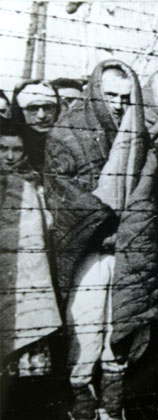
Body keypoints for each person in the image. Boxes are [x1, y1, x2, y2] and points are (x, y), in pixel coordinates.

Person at [44, 59, 158, 420]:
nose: (118, 104)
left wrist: (133, 219)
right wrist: (105, 212)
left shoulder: (139, 134)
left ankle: (113, 403)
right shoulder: (66, 133)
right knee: (86, 322)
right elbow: (60, 188)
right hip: (89, 248)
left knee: (123, 321)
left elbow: (146, 187)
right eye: (110, 94)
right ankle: (81, 398)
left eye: (126, 97)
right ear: (95, 91)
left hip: (128, 245)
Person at [0, 119, 64, 419]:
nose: (10, 156)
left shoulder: (31, 185)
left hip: (26, 284)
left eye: (17, 149)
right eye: (2, 149)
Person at [10, 80, 60, 171]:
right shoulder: (10, 144)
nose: (42, 116)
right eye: (33, 109)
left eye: (48, 108)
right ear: (21, 112)